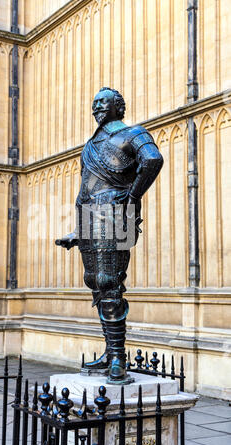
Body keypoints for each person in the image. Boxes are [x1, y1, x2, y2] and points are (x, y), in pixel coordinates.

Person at [56, 87, 163, 384]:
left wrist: (132, 197)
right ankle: (110, 350)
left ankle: (118, 357)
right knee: (96, 284)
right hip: (90, 217)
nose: (96, 108)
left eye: (102, 103)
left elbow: (152, 160)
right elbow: (86, 188)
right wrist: (78, 230)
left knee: (109, 282)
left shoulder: (132, 134)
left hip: (115, 214)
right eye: (93, 104)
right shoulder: (90, 145)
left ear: (118, 106)